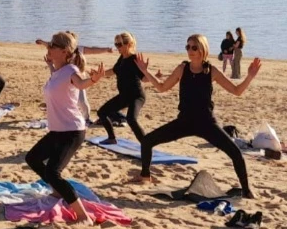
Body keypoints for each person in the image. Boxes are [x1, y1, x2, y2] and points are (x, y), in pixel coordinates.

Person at [133, 34, 261, 199]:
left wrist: (250, 76)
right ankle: (145, 175)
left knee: (235, 153)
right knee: (147, 141)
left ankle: (247, 190)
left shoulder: (211, 71)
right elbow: (162, 87)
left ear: (202, 49)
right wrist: (145, 71)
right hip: (184, 122)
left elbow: (237, 91)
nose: (190, 51)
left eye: (194, 47)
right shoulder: (182, 69)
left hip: (207, 123)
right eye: (188, 47)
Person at [25, 32, 105, 225]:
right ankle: (57, 190)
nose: (49, 49)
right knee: (32, 158)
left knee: (53, 172)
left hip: (72, 131)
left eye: (52, 46)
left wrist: (93, 80)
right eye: (49, 45)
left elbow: (81, 83)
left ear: (65, 51)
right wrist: (50, 65)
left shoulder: (71, 71)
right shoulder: (58, 70)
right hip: (57, 130)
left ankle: (83, 215)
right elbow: (57, 82)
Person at [37, 33, 113, 123]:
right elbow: (52, 46)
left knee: (82, 101)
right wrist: (43, 44)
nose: (49, 48)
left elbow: (93, 50)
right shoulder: (60, 69)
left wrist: (107, 50)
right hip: (62, 123)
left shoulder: (72, 67)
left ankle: (87, 118)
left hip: (76, 81)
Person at [97, 32, 146, 144]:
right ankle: (111, 138)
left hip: (136, 96)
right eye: (116, 44)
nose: (117, 47)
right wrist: (100, 74)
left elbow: (144, 78)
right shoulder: (122, 58)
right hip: (124, 96)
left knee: (131, 119)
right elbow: (113, 71)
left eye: (119, 44)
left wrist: (153, 76)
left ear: (128, 44)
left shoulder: (134, 59)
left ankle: (146, 145)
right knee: (102, 112)